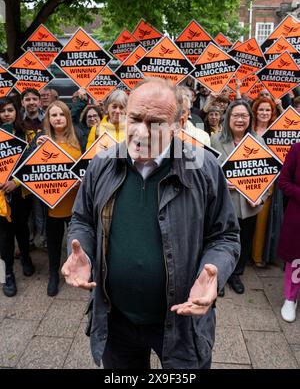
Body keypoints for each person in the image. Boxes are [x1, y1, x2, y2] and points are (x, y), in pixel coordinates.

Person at [61, 78, 240, 369]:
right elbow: (82, 220)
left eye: (155, 122)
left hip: (182, 323)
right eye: (135, 118)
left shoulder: (204, 168)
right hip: (115, 321)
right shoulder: (102, 163)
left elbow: (225, 237)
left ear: (178, 123)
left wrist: (215, 271)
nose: (142, 132)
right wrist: (81, 251)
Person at [211, 100, 266, 296]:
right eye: (236, 115)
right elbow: (209, 172)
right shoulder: (216, 140)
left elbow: (266, 174)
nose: (240, 120)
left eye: (244, 116)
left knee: (244, 241)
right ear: (228, 118)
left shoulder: (258, 142)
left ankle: (236, 274)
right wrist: (221, 183)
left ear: (250, 119)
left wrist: (260, 197)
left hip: (250, 205)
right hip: (225, 204)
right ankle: (219, 276)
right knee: (221, 241)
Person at [29, 101, 82, 296]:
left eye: (61, 114)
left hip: (75, 203)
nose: (58, 118)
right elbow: (27, 168)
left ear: (67, 117)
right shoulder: (40, 139)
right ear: (48, 119)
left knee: (77, 241)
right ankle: (53, 274)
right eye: (53, 115)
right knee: (53, 243)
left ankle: (78, 271)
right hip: (52, 206)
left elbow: (90, 165)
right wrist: (36, 149)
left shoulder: (79, 136)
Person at [0, 97, 35, 297]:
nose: (6, 114)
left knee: (22, 228)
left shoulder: (27, 135)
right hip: (1, 196)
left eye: (10, 110)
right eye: (3, 110)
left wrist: (16, 182)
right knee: (4, 237)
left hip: (21, 193)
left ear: (16, 112)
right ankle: (8, 276)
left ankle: (26, 258)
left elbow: (31, 164)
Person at [251, 97, 277, 267]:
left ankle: (257, 256)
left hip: (268, 180)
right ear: (255, 112)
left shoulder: (277, 132)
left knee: (261, 219)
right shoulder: (248, 129)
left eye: (268, 110)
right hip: (246, 178)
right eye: (261, 109)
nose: (264, 113)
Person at [277, 142, 300, 322]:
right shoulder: (297, 149)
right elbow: (283, 181)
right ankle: (290, 298)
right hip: (297, 214)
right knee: (296, 259)